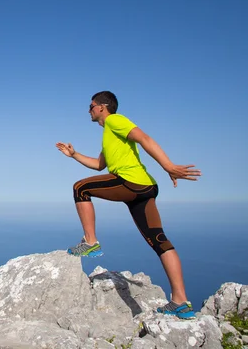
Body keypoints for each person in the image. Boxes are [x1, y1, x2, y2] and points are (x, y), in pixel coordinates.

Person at [56, 91, 201, 319]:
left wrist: (168, 166)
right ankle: (180, 301)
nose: (89, 110)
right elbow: (98, 165)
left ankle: (91, 242)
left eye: (91, 105)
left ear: (103, 107)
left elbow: (145, 139)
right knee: (159, 240)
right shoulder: (109, 135)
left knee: (80, 188)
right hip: (144, 188)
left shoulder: (115, 120)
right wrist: (74, 155)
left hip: (131, 182)